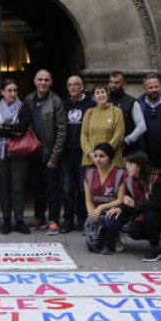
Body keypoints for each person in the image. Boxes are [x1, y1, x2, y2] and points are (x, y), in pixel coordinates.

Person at [23, 69, 67, 234]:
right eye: (40, 79)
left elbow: (62, 130)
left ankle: (54, 220)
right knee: (37, 187)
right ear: (35, 81)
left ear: (50, 82)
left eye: (46, 80)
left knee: (52, 188)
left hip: (49, 153)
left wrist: (55, 157)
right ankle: (39, 217)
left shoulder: (56, 101)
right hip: (32, 152)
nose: (43, 83)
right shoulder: (28, 99)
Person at [0, 79, 34, 235]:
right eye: (9, 90)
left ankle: (20, 220)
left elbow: (22, 129)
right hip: (0, 152)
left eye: (15, 90)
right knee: (4, 188)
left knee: (17, 188)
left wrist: (5, 128)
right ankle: (6, 221)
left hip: (18, 153)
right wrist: (12, 130)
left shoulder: (23, 107)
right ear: (2, 92)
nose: (13, 93)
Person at [121, 150, 161, 261]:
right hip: (144, 212)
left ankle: (155, 248)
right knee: (134, 231)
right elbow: (130, 200)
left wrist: (136, 204)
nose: (127, 167)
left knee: (152, 214)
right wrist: (120, 207)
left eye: (130, 164)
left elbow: (159, 203)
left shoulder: (158, 178)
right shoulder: (131, 179)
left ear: (139, 166)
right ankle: (156, 239)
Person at [61, 74, 95, 232]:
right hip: (67, 153)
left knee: (83, 189)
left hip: (85, 154)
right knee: (68, 188)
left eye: (76, 84)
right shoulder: (64, 104)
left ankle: (82, 218)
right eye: (70, 85)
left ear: (82, 86)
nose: (73, 87)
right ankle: (68, 219)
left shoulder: (91, 104)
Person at [82, 143, 127, 254]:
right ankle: (102, 235)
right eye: (96, 156)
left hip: (116, 212)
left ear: (110, 158)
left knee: (110, 220)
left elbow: (120, 200)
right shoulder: (89, 174)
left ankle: (115, 236)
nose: (98, 159)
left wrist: (101, 207)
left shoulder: (119, 174)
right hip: (97, 213)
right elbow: (88, 200)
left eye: (102, 156)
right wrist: (92, 214)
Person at [80, 84, 124, 167]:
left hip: (111, 159)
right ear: (93, 97)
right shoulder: (89, 113)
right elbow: (84, 136)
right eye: (97, 93)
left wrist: (104, 152)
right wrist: (90, 153)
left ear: (107, 94)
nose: (100, 95)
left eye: (103, 92)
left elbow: (119, 135)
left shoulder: (117, 112)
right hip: (92, 159)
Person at [108, 71, 146, 154]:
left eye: (116, 82)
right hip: (106, 148)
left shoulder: (132, 102)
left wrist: (127, 141)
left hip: (127, 149)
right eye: (111, 82)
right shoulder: (104, 101)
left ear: (123, 83)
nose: (113, 85)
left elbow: (142, 126)